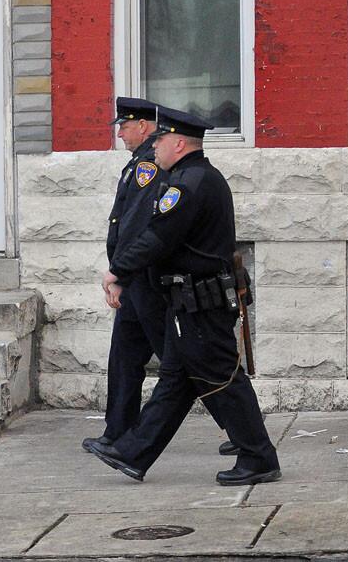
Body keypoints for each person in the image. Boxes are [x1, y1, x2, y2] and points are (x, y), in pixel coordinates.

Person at [87, 105, 281, 486]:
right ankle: (134, 452)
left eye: (160, 140)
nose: (154, 145)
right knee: (175, 380)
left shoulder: (187, 184)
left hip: (201, 302)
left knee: (225, 380)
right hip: (190, 300)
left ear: (177, 143)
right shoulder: (194, 177)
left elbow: (158, 238)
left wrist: (116, 271)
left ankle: (259, 456)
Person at [82, 97, 236, 456]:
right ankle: (117, 431)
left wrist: (122, 272)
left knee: (183, 363)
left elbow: (140, 226)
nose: (120, 132)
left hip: (146, 281)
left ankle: (237, 426)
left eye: (125, 125)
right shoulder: (140, 163)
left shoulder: (150, 168)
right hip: (137, 279)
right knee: (125, 355)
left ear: (144, 127)